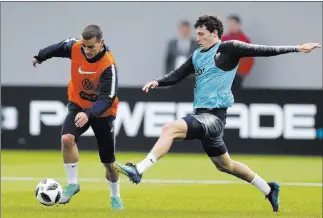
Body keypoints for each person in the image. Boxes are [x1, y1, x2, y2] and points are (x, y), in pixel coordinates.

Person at [114, 15, 321, 212]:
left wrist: (296, 48)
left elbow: (262, 50)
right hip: (203, 116)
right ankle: (269, 189)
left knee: (170, 128)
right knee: (225, 165)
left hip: (214, 118)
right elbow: (178, 74)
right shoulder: (197, 55)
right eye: (197, 34)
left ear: (214, 33)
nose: (198, 38)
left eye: (201, 34)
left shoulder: (229, 48)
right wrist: (157, 82)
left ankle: (139, 170)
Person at [32, 24, 123, 210]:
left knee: (109, 163)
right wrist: (41, 55)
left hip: (103, 113)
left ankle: (115, 196)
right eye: (84, 46)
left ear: (101, 43)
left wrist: (89, 113)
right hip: (78, 104)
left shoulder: (108, 65)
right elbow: (58, 47)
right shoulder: (75, 47)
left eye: (91, 46)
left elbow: (108, 98)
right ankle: (73, 184)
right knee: (67, 139)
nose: (87, 51)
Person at [221, 14, 254, 91]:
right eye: (229, 24)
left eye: (233, 24)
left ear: (238, 25)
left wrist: (241, 72)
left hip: (238, 74)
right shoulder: (224, 39)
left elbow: (249, 59)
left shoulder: (244, 40)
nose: (231, 26)